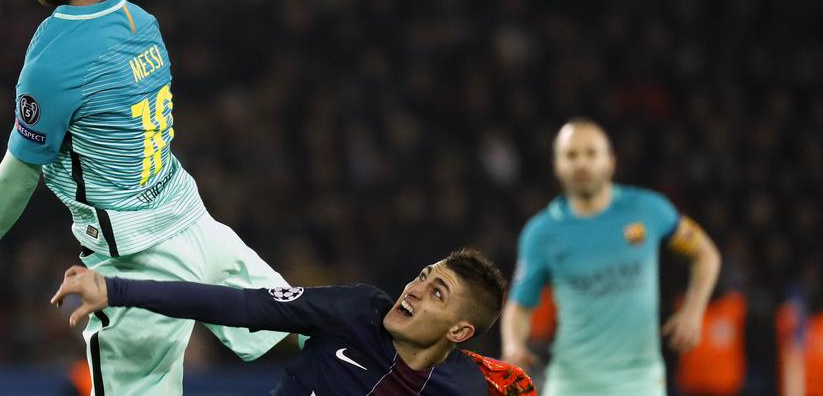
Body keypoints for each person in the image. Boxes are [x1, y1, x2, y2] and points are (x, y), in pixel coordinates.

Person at [0, 0, 289, 395]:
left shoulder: (56, 54)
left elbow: (20, 172)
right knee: (320, 348)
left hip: (142, 261)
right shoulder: (143, 23)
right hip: (203, 233)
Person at [52, 247, 538, 395]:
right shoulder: (357, 311)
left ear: (460, 331)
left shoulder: (477, 387)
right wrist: (116, 289)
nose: (414, 288)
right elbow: (240, 306)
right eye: (422, 275)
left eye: (437, 293)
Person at [500, 118, 722, 396]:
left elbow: (706, 254)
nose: (582, 163)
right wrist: (513, 345)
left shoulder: (648, 209)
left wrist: (693, 312)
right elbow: (519, 307)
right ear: (558, 166)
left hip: (639, 380)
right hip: (572, 381)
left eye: (591, 153)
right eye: (571, 155)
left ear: (610, 161)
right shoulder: (542, 232)